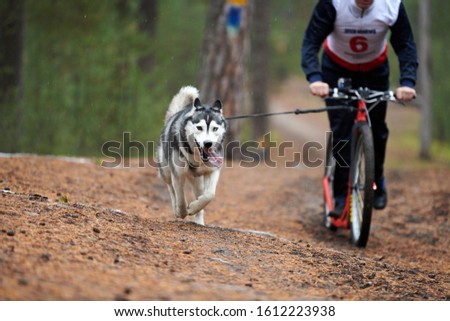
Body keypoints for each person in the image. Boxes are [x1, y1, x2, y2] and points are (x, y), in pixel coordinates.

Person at [301, 0, 418, 216]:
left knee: (378, 131)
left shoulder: (391, 5)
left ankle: (377, 179)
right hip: (337, 71)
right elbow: (311, 41)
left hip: (374, 71)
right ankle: (340, 196)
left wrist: (408, 82)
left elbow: (405, 45)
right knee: (342, 131)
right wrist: (315, 78)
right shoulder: (334, 3)